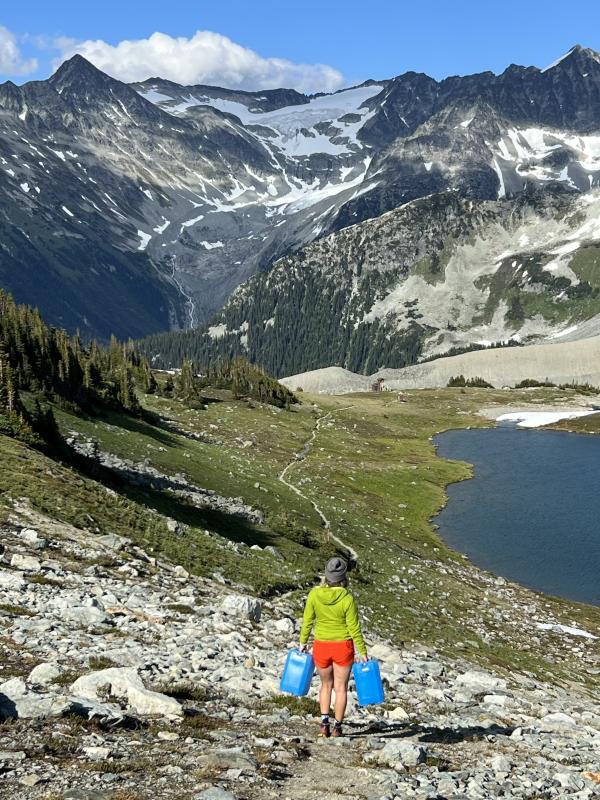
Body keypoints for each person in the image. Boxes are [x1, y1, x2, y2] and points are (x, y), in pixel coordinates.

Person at [299, 556, 368, 738]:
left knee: (325, 686)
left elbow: (307, 621)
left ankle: (324, 723)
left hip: (321, 645)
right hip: (343, 647)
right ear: (344, 578)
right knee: (341, 688)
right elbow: (354, 628)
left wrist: (303, 642)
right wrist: (362, 651)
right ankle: (337, 727)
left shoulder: (314, 594)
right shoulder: (347, 598)